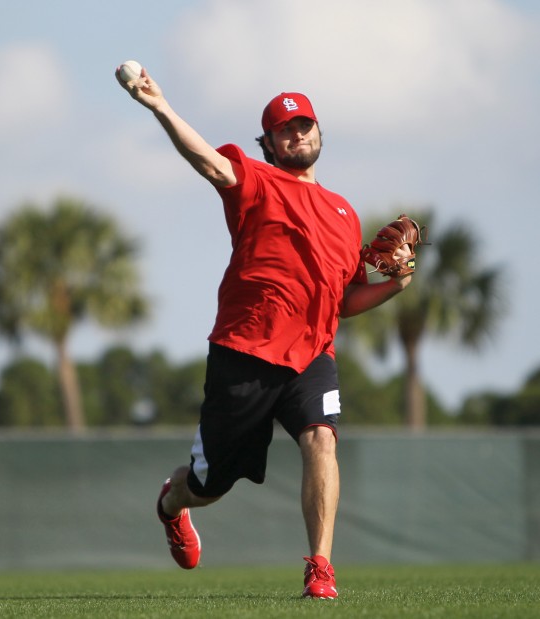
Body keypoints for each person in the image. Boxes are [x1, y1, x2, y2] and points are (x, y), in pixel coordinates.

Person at [115, 64, 412, 599]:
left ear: (319, 132)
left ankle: (320, 568)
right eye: (284, 129)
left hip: (312, 356)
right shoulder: (255, 179)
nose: (296, 134)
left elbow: (343, 302)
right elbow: (206, 161)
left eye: (304, 125)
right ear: (270, 143)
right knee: (210, 485)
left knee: (322, 440)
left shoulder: (345, 214)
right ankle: (171, 502)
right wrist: (159, 106)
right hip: (244, 350)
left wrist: (398, 283)